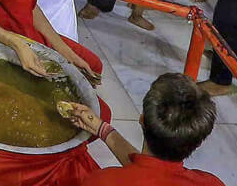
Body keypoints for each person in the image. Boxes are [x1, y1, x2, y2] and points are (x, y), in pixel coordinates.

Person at [63, 73, 225, 186]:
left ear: (141, 120)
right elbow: (153, 172)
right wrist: (101, 128)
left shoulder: (102, 181)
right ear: (198, 141)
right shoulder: (212, 183)